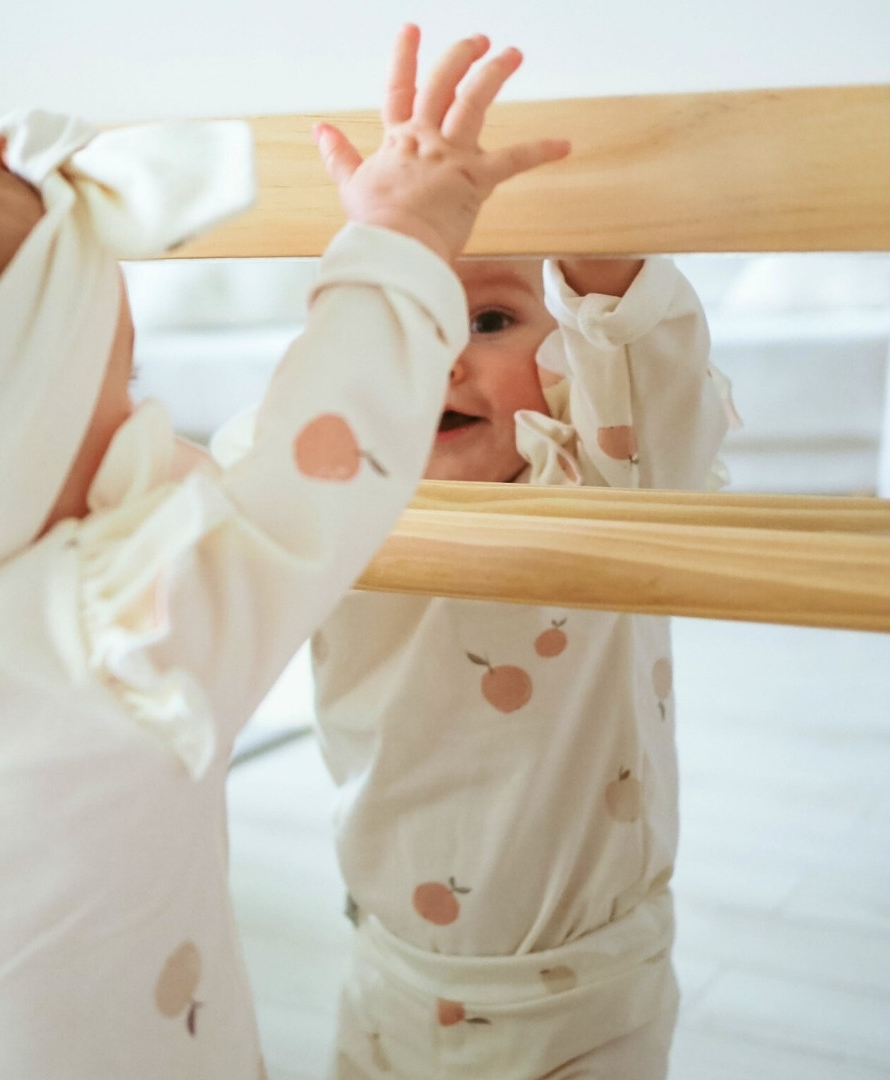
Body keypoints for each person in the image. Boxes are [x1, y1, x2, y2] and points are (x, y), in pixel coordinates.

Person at [0, 28, 571, 1080]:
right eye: (121, 392)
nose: (149, 421)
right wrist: (398, 241)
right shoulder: (117, 648)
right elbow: (320, 459)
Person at [215, 252, 737, 1078]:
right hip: (391, 968)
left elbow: (644, 378)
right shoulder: (327, 507)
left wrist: (603, 263)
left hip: (585, 1000)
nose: (442, 357)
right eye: (400, 330)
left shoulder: (600, 480)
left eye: (489, 322)